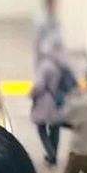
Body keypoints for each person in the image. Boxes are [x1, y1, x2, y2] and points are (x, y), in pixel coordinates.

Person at [30, 34, 73, 165]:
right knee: (55, 127)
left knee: (41, 127)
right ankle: (53, 154)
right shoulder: (62, 63)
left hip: (46, 100)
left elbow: (39, 86)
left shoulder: (45, 65)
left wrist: (32, 94)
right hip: (60, 99)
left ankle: (51, 154)